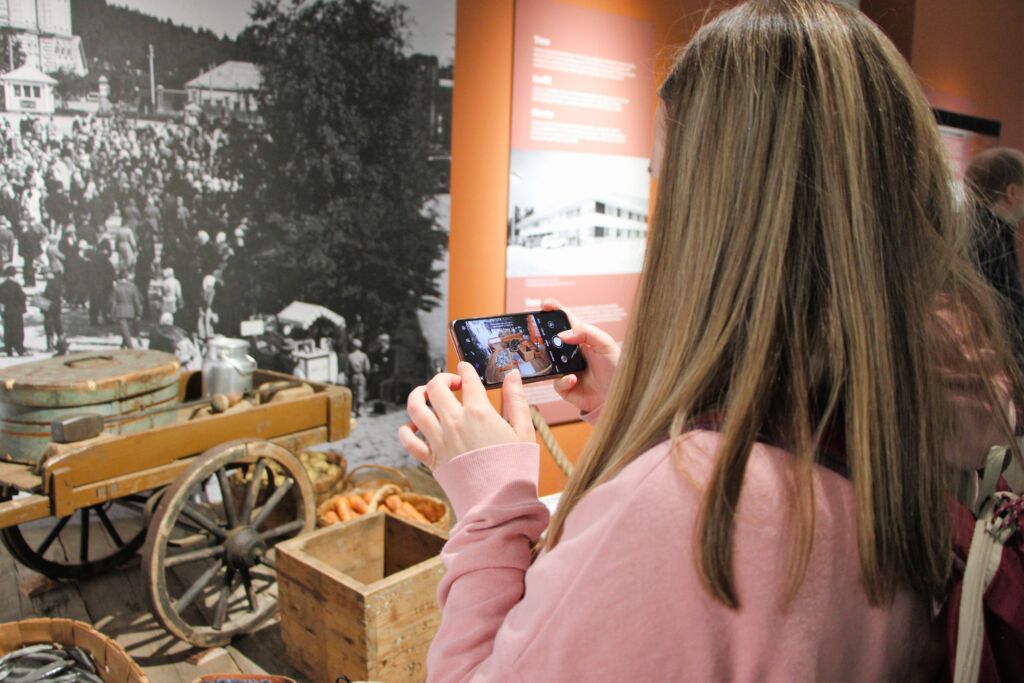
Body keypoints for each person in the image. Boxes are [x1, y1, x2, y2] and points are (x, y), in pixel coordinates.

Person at [398, 1, 1020, 680]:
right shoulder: (913, 439)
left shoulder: (693, 512)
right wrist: (663, 416)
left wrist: (491, 508)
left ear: (719, 213)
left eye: (667, 179)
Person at [967, 148, 1024, 367]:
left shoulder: (970, 228)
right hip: (985, 364)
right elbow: (1008, 313)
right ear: (1011, 192)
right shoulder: (990, 236)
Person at [110, 270, 143, 349]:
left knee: (124, 330)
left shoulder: (116, 288)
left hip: (120, 311)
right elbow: (136, 301)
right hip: (131, 311)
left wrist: (112, 313)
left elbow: (113, 302)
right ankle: (123, 345)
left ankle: (130, 347)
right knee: (127, 329)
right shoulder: (133, 287)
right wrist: (138, 312)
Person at [0, 265, 26, 356]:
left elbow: (1, 300)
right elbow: (22, 297)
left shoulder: (2, 286)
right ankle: (20, 349)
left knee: (8, 330)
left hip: (7, 312)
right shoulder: (16, 285)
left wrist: (2, 311)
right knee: (18, 331)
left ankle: (8, 349)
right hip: (16, 311)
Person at [369, 332, 396, 402]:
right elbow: (376, 361)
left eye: (381, 341)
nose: (379, 343)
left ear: (385, 342)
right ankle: (374, 396)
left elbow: (392, 365)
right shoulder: (379, 351)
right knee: (371, 378)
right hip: (380, 372)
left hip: (388, 373)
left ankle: (382, 398)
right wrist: (376, 367)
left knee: (378, 380)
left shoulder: (391, 351)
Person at [347, 339, 371, 417]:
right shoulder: (364, 356)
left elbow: (346, 370)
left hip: (353, 376)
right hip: (361, 375)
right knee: (361, 392)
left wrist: (349, 375)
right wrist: (366, 375)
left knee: (354, 393)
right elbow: (367, 368)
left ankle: (353, 410)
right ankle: (360, 409)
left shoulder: (349, 356)